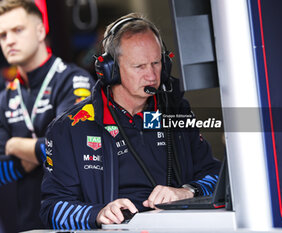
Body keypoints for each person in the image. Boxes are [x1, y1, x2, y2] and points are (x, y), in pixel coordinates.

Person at [40, 13, 221, 230]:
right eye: (139, 67)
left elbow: (217, 178)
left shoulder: (176, 112)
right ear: (110, 70)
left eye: (156, 63)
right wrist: (97, 213)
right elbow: (52, 210)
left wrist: (188, 191)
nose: (152, 76)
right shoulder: (70, 127)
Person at [0, 0, 95, 231]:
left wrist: (13, 145)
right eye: (2, 35)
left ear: (41, 31)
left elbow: (73, 150)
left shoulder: (73, 81)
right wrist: (41, 151)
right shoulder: (4, 98)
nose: (9, 40)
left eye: (18, 30)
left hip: (71, 222)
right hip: (23, 226)